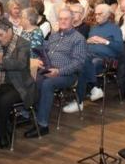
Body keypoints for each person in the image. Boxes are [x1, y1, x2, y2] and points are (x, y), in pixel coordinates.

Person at [25, 8, 86, 137]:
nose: (63, 21)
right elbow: (44, 51)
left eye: (66, 19)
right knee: (31, 77)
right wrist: (40, 60)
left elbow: (78, 63)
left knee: (47, 84)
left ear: (72, 21)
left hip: (67, 74)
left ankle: (43, 125)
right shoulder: (54, 35)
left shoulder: (78, 39)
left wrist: (59, 71)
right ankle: (29, 114)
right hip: (48, 69)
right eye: (61, 19)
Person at [64, 4, 123, 114]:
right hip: (89, 56)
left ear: (107, 14)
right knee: (82, 61)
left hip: (105, 59)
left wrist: (104, 41)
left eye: (99, 14)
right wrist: (87, 42)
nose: (96, 16)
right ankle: (94, 88)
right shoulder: (94, 28)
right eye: (95, 14)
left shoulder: (114, 28)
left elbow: (120, 49)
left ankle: (80, 101)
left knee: (83, 64)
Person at [0, 18, 36, 149]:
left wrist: (1, 60)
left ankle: (3, 134)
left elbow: (20, 64)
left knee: (3, 102)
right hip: (2, 82)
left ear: (9, 31)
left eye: (0, 35)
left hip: (21, 85)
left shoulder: (23, 43)